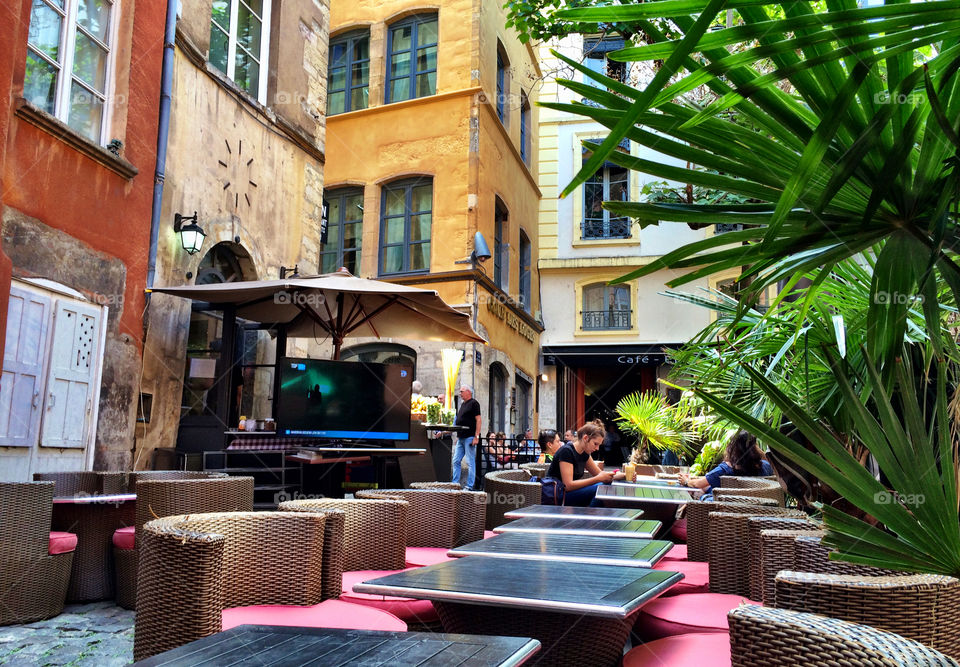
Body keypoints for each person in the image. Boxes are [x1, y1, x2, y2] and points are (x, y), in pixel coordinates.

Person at [545, 420, 623, 506]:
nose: (597, 448)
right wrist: (598, 479)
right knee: (599, 489)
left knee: (607, 484)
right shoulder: (567, 451)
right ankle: (590, 517)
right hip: (559, 495)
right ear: (585, 438)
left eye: (599, 445)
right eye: (595, 444)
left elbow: (601, 475)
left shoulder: (585, 453)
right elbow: (568, 485)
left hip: (571, 493)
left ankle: (592, 514)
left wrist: (624, 475)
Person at [678, 430, 773, 500]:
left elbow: (697, 484)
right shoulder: (766, 466)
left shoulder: (724, 470)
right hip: (755, 504)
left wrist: (686, 481)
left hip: (726, 504)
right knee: (705, 487)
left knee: (697, 489)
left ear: (733, 448)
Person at [451, 385, 481, 489]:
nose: (460, 393)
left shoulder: (474, 403)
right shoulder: (463, 404)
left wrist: (476, 436)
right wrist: (458, 437)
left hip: (469, 437)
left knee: (470, 462)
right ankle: (455, 484)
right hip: (461, 437)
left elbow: (478, 420)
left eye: (461, 391)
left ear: (468, 392)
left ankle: (470, 485)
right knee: (456, 460)